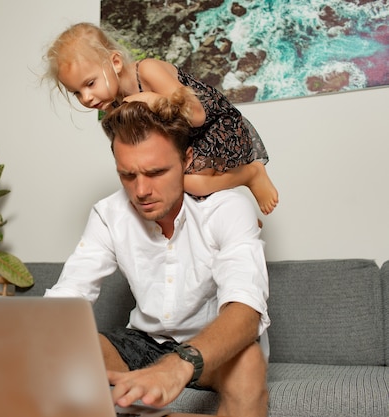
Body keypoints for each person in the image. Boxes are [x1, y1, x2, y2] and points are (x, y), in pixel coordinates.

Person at [44, 98, 270, 417]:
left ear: (187, 160)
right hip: (142, 342)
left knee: (247, 363)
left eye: (156, 172)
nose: (141, 191)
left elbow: (246, 312)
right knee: (64, 350)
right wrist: (33, 340)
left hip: (212, 349)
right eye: (128, 175)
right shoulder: (109, 214)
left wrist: (179, 366)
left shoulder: (227, 209)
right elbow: (71, 293)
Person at [43, 22, 278, 215]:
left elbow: (197, 116)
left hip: (216, 126)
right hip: (184, 143)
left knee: (191, 184)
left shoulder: (146, 71)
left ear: (115, 62)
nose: (86, 98)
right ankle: (233, 220)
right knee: (170, 188)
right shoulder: (113, 103)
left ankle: (251, 174)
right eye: (77, 92)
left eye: (90, 84)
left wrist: (151, 99)